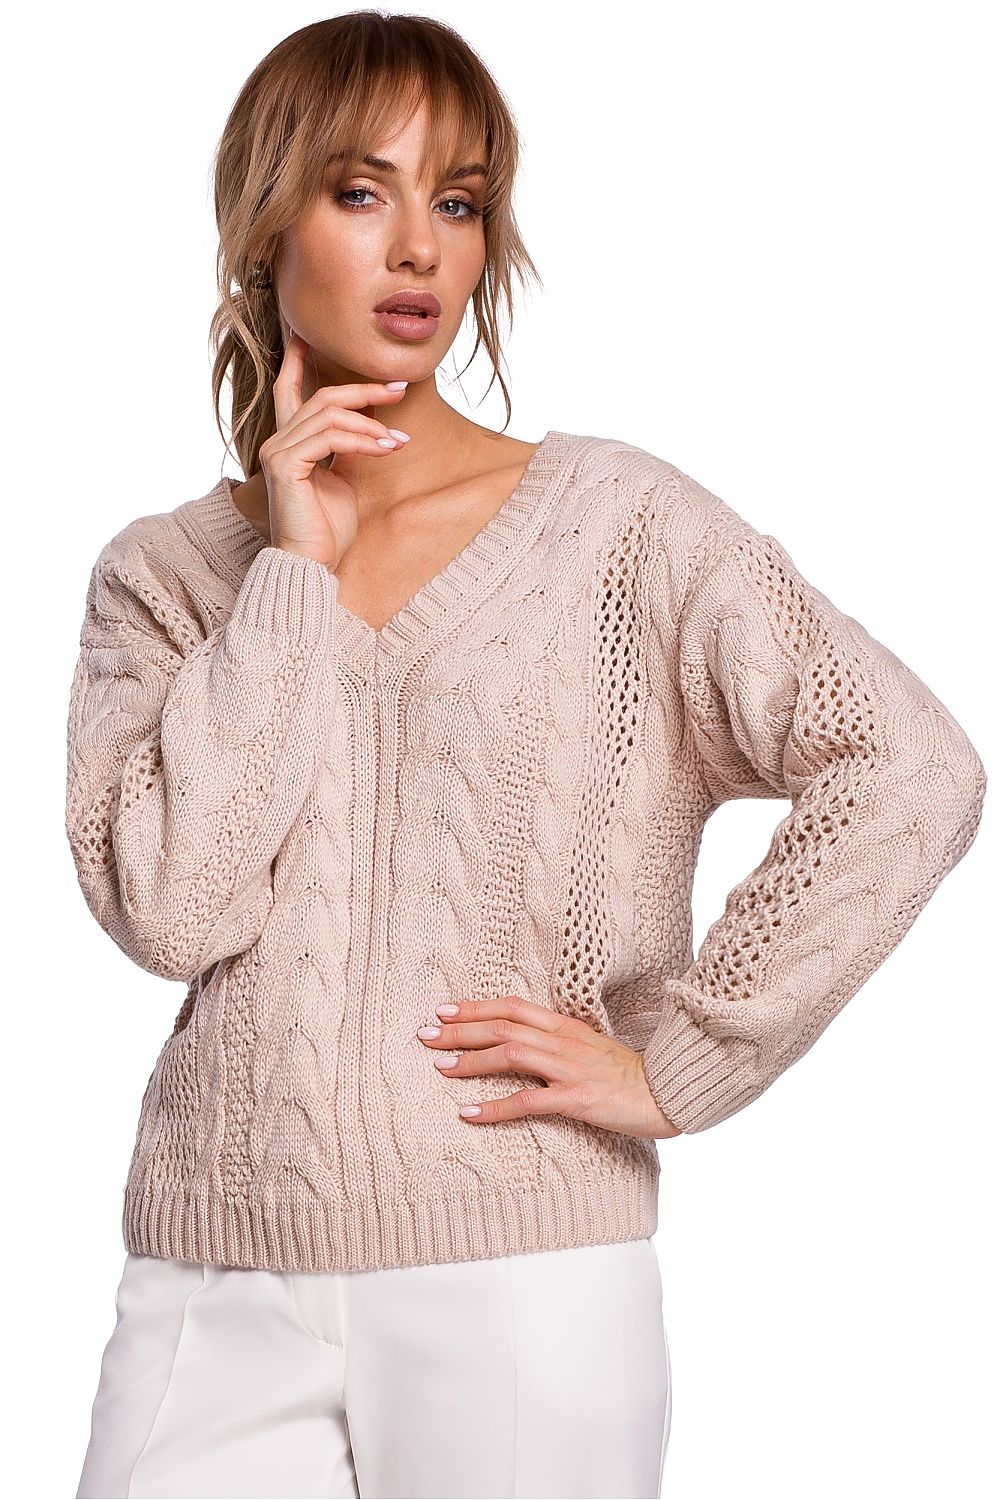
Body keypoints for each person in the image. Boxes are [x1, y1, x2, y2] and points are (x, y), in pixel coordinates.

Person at [66, 13, 985, 1500]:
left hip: (524, 1274)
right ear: (265, 226)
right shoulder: (164, 576)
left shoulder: (617, 528)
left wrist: (686, 1061)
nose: (417, 249)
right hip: (212, 1271)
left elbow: (909, 765)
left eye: (458, 201)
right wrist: (292, 575)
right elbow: (173, 909)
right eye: (360, 193)